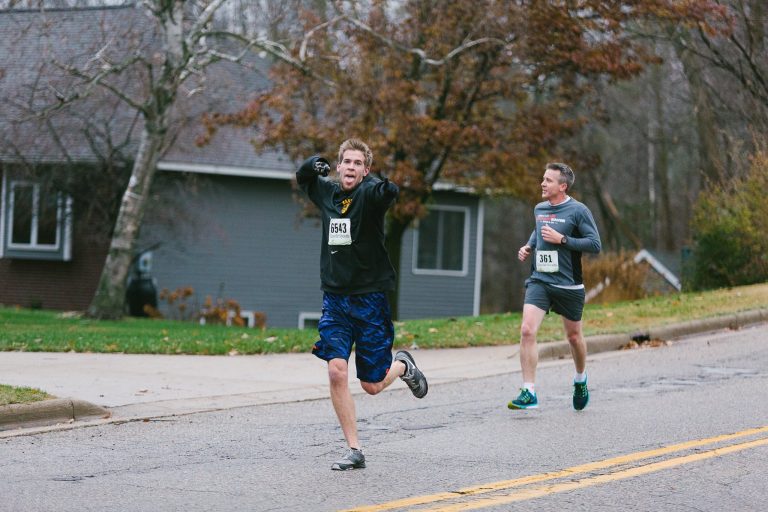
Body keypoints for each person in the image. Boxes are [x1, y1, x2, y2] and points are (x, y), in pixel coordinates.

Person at [296, 138, 428, 471]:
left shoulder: (369, 195)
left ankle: (402, 367)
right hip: (335, 301)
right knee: (336, 370)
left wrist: (382, 187)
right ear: (338, 166)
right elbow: (304, 178)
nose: (351, 167)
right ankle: (354, 449)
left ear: (365, 170)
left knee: (371, 385)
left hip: (370, 300)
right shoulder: (327, 194)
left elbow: (389, 192)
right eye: (346, 162)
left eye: (358, 163)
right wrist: (315, 162)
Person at [508, 162, 601, 411]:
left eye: (548, 180)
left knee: (573, 337)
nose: (542, 183)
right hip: (540, 280)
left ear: (563, 186)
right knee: (527, 330)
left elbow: (594, 244)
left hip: (568, 285)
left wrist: (563, 240)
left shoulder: (578, 211)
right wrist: (529, 246)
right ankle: (529, 391)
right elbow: (539, 230)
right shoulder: (539, 209)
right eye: (543, 178)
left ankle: (580, 379)